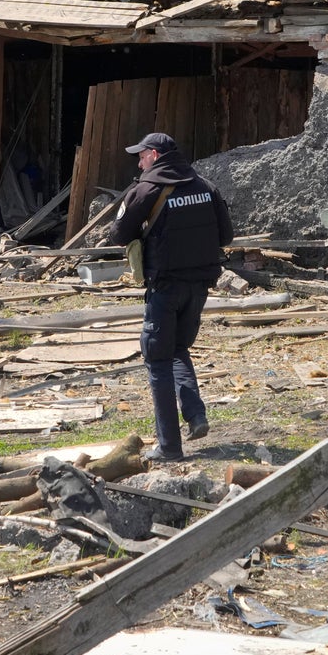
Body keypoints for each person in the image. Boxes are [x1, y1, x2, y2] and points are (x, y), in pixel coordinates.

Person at [108, 132, 233, 462]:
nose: (138, 162)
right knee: (177, 348)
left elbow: (119, 234)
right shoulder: (206, 187)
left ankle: (169, 446)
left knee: (158, 359)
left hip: (165, 287)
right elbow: (227, 235)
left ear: (153, 154)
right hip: (200, 286)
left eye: (141, 156)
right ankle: (195, 415)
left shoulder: (146, 190)